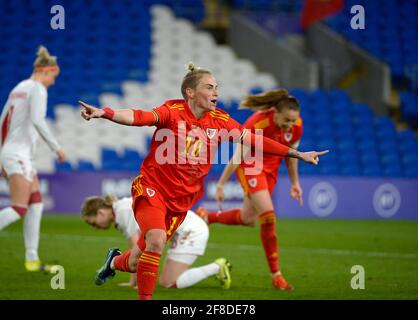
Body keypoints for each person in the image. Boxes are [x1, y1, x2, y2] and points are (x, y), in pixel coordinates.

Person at [79, 63, 328, 300]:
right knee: (156, 241)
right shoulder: (172, 112)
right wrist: (105, 113)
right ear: (190, 92)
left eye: (216, 87)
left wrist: (296, 153)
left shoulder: (220, 121)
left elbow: (255, 140)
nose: (215, 92)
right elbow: (139, 116)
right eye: (209, 87)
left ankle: (113, 261)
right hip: (152, 187)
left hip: (180, 201)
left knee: (135, 261)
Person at [196, 89, 304, 291]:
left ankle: (208, 217)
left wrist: (295, 183)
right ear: (275, 113)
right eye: (287, 120)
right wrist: (221, 184)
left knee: (248, 219)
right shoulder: (257, 123)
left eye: (293, 121)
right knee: (268, 216)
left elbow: (291, 156)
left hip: (271, 170)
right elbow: (238, 156)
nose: (290, 125)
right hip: (251, 167)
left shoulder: (297, 125)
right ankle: (276, 275)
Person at [0, 46, 65, 272]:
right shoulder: (37, 88)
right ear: (46, 72)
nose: (53, 82)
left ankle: (32, 259)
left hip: (15, 153)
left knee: (35, 203)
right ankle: (31, 259)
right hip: (18, 155)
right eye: (53, 77)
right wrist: (56, 148)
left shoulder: (19, 87)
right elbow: (38, 120)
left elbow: (3, 122)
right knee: (19, 207)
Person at [81, 195, 232, 290]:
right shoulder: (121, 209)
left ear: (100, 212)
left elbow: (136, 249)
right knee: (167, 280)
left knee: (168, 283)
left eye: (93, 223)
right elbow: (138, 248)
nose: (96, 228)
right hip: (183, 230)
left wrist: (139, 283)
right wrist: (133, 282)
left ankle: (216, 267)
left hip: (191, 231)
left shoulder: (122, 212)